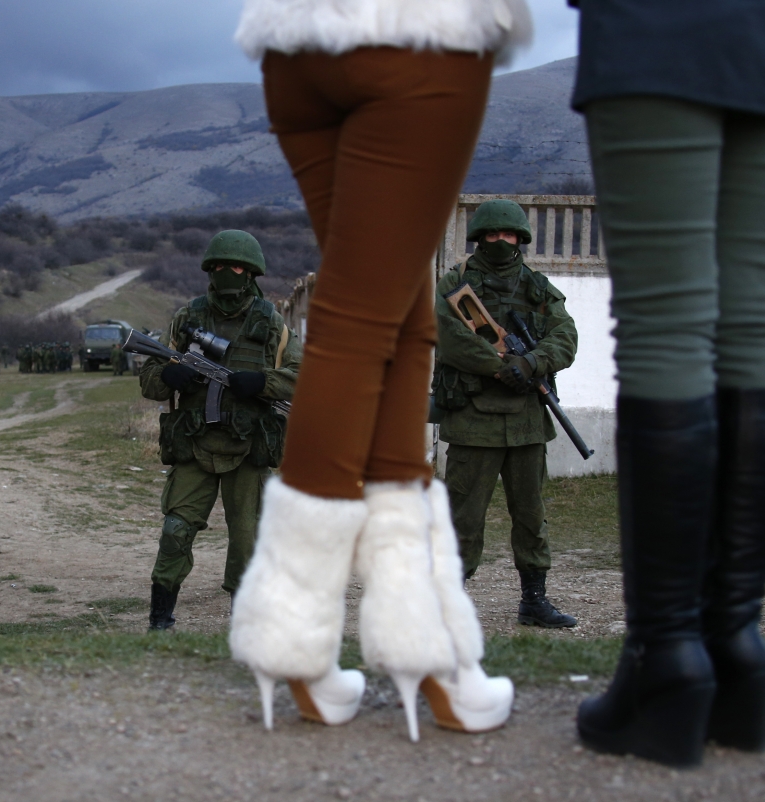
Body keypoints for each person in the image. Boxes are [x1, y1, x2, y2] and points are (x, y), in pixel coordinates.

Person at [228, 0, 527, 741]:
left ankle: (419, 646)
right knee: (364, 322)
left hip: (294, 43)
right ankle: (299, 629)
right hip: (423, 34)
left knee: (402, 319)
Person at [568, 0, 765, 767]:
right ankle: (736, 648)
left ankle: (667, 660)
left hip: (659, 26)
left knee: (665, 325)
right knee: (748, 318)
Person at [138, 230, 301, 631]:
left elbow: (301, 378)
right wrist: (172, 375)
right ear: (209, 270)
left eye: (237, 267)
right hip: (194, 442)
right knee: (176, 530)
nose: (228, 273)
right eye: (220, 266)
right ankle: (160, 619)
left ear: (251, 274)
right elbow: (150, 379)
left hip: (249, 447)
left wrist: (261, 383)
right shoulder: (187, 318)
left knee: (247, 541)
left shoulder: (272, 324)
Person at [435, 200, 578, 629]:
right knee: (463, 518)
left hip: (527, 421)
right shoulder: (456, 284)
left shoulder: (537, 287)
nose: (500, 241)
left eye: (508, 235)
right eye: (492, 235)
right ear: (479, 238)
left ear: (520, 239)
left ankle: (534, 601)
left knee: (531, 517)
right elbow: (450, 338)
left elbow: (565, 336)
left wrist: (531, 364)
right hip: (473, 419)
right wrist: (501, 367)